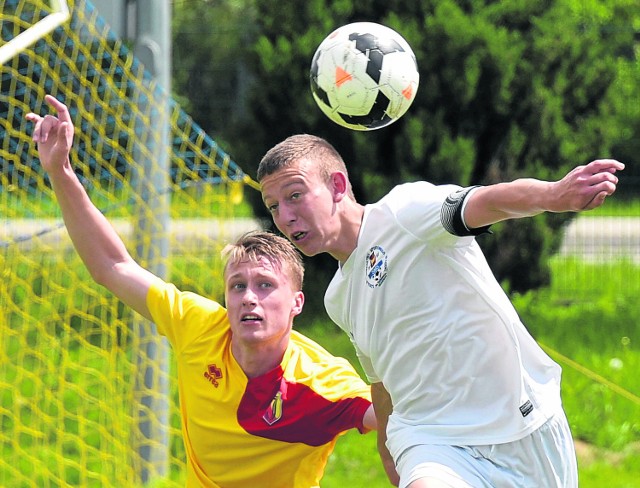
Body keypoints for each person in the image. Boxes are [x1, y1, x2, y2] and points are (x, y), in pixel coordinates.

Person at [26, 96, 376, 488]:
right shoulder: (200, 326)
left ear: (297, 303)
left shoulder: (323, 381)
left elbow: (401, 420)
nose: (248, 297)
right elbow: (113, 266)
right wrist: (60, 171)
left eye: (265, 286)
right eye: (237, 286)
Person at [257, 133, 625, 488]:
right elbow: (382, 381)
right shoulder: (337, 298)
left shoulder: (403, 212)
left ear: (338, 185)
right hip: (432, 440)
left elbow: (486, 202)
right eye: (274, 207)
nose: (285, 217)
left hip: (521, 426)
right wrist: (387, 449)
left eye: (295, 196)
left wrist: (555, 194)